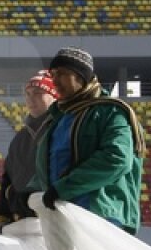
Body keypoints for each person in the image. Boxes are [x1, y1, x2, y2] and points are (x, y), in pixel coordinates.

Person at [32, 46, 145, 234]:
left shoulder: (112, 113)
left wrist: (62, 189)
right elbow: (51, 164)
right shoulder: (59, 118)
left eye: (62, 74)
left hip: (101, 215)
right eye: (53, 74)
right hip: (64, 214)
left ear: (80, 76)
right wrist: (28, 190)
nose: (55, 81)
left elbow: (116, 158)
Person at [0, 70, 58, 233]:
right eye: (27, 94)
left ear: (54, 96)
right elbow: (8, 178)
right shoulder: (20, 138)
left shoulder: (62, 130)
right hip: (21, 219)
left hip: (52, 217)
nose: (30, 99)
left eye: (38, 93)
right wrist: (2, 214)